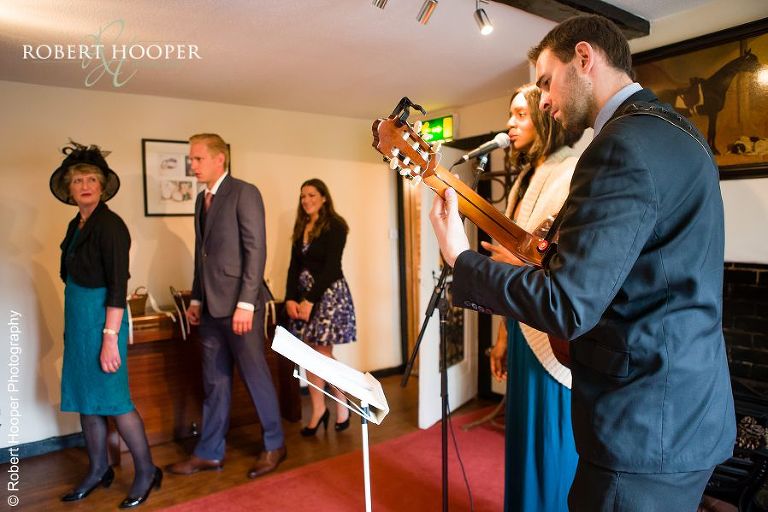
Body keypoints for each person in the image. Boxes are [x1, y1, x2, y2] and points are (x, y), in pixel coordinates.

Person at [429, 14, 735, 512]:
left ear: (585, 59)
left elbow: (568, 304)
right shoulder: (681, 133)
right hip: (690, 412)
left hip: (640, 426)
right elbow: (646, 268)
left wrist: (459, 257)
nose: (543, 100)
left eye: (546, 83)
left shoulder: (619, 147)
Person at [484, 83, 582, 512]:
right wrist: (503, 337)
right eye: (512, 114)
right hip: (520, 326)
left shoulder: (570, 172)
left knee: (548, 442)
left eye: (521, 114)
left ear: (544, 118)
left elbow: (566, 264)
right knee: (522, 440)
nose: (510, 123)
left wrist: (515, 260)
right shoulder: (527, 176)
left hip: (550, 338)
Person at [167, 133, 286, 479]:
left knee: (255, 377)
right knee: (214, 382)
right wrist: (196, 299)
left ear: (220, 160)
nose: (193, 165)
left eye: (198, 159)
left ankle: (275, 445)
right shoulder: (200, 200)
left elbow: (256, 250)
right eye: (192, 159)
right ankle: (209, 453)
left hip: (241, 308)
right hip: (210, 310)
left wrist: (247, 304)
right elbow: (202, 255)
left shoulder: (244, 193)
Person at [50, 141, 161, 509]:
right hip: (80, 324)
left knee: (115, 401)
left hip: (103, 322)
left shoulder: (111, 226)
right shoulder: (76, 224)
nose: (85, 185)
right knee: (87, 401)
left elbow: (118, 286)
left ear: (101, 186)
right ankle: (98, 468)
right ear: (70, 188)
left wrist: (110, 338)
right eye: (78, 180)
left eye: (91, 180)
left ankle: (146, 470)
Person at [285, 178, 357, 436]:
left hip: (328, 295)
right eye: (303, 196)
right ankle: (318, 409)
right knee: (309, 355)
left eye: (312, 195)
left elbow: (331, 268)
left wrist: (310, 301)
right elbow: (294, 267)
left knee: (321, 354)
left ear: (324, 197)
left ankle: (342, 402)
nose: (306, 200)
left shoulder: (336, 226)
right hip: (304, 296)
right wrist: (290, 298)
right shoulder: (301, 225)